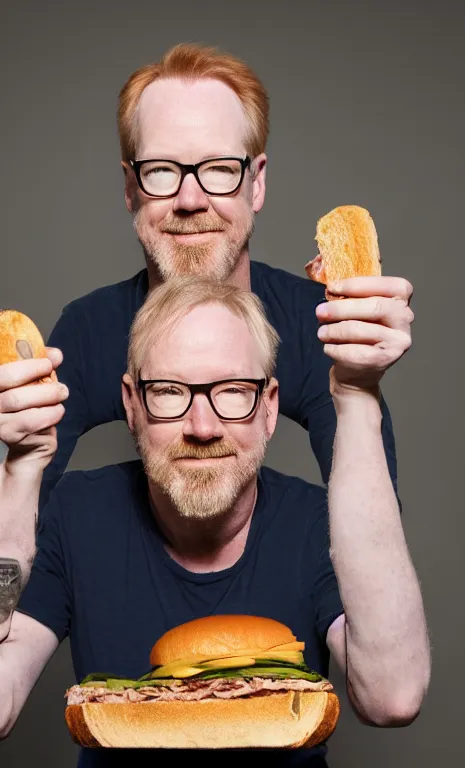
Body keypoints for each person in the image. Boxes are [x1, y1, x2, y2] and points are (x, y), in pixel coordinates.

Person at [0, 276, 430, 767]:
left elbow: (393, 697)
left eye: (231, 391)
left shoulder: (316, 523)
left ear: (268, 408)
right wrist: (20, 471)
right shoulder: (76, 515)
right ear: (132, 405)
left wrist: (355, 394)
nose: (202, 428)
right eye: (167, 391)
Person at [40, 41, 401, 510]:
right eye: (162, 170)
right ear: (131, 188)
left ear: (258, 183)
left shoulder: (321, 325)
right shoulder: (87, 331)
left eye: (219, 168)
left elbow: (372, 529)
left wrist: (360, 391)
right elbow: (18, 531)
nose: (191, 200)